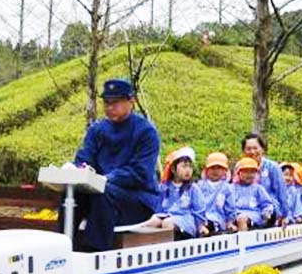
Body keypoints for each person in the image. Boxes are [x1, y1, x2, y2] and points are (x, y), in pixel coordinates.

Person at [70, 79, 161, 251]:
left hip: (137, 199)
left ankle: (94, 252)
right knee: (71, 195)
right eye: (107, 103)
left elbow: (140, 173)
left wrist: (106, 179)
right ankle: (63, 247)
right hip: (100, 191)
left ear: (131, 102)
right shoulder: (97, 130)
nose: (110, 107)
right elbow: (85, 157)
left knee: (103, 193)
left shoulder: (146, 132)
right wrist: (80, 170)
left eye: (115, 102)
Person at [144, 147, 208, 238]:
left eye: (190, 166)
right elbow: (158, 207)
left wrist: (200, 226)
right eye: (184, 166)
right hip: (166, 215)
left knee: (168, 223)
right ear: (173, 169)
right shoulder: (164, 187)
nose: (188, 170)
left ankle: (168, 248)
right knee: (152, 222)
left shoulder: (193, 188)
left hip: (185, 219)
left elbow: (199, 209)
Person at [237, 133, 288, 224]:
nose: (252, 152)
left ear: (262, 149)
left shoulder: (272, 167)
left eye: (255, 148)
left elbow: (281, 193)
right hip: (245, 209)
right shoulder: (239, 167)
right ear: (243, 151)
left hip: (268, 209)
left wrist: (285, 215)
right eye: (248, 149)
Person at [230, 156, 277, 231]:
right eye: (245, 172)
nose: (249, 174)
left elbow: (267, 203)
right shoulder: (232, 188)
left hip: (253, 215)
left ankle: (243, 240)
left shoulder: (258, 188)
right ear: (239, 173)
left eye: (252, 172)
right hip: (234, 214)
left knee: (242, 219)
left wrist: (266, 212)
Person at [197, 152, 238, 233]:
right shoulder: (200, 186)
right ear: (207, 170)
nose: (215, 171)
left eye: (219, 168)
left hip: (218, 219)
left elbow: (230, 207)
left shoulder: (227, 188)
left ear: (225, 171)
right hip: (201, 218)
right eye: (212, 168)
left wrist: (230, 222)